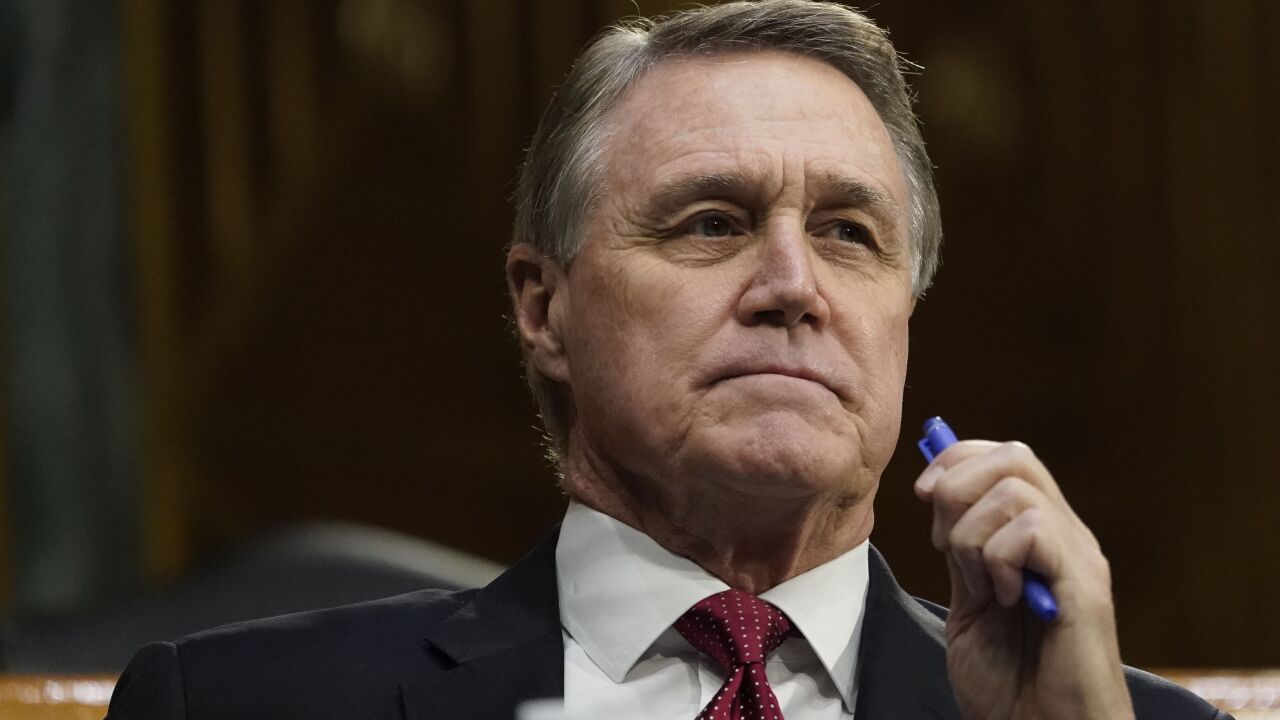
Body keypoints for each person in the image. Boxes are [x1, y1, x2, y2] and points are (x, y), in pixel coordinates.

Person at [106, 2, 1229, 718]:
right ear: (542, 308)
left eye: (848, 234)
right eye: (709, 223)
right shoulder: (238, 706)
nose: (793, 285)